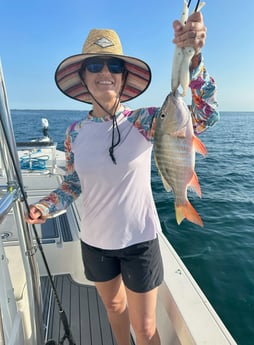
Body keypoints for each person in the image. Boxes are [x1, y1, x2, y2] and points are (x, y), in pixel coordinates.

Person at [25, 11, 218, 345]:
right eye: (95, 65)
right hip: (95, 242)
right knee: (114, 309)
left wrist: (193, 59)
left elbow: (205, 115)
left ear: (123, 78)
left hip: (140, 241)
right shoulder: (74, 132)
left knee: (144, 329)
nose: (105, 73)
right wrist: (45, 207)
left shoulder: (145, 121)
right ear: (83, 77)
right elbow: (74, 182)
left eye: (114, 66)